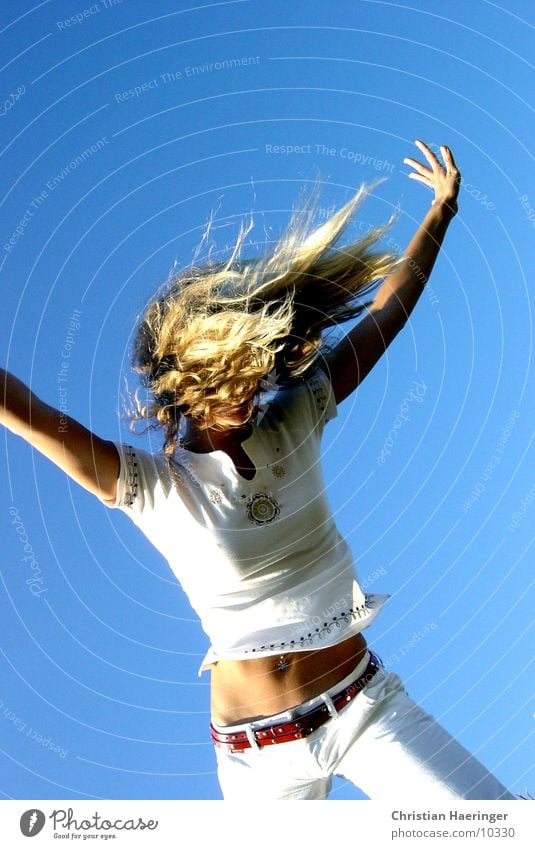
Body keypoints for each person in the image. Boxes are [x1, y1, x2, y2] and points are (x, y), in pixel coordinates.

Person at [1, 141, 517, 801]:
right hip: (254, 758)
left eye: (252, 369)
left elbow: (383, 316)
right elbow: (31, 414)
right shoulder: (153, 488)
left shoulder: (298, 414)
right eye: (226, 379)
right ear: (187, 387)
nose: (245, 391)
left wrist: (438, 213)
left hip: (363, 709)